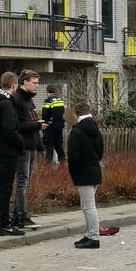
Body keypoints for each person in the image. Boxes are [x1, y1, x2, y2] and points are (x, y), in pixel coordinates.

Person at [0, 72, 25, 237]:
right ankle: (5, 225)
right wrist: (20, 144)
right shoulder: (7, 104)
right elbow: (10, 130)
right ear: (14, 84)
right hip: (8, 151)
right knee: (6, 188)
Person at [10, 69, 47, 228]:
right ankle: (21, 216)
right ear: (24, 82)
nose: (37, 86)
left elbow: (32, 123)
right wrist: (37, 125)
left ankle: (19, 215)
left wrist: (40, 145)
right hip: (23, 147)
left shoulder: (29, 100)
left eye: (37, 83)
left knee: (25, 181)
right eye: (34, 83)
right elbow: (17, 125)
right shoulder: (17, 99)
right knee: (22, 181)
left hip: (31, 146)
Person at [68, 102, 104, 249]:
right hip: (95, 170)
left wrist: (72, 171)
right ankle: (89, 234)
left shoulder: (76, 132)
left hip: (83, 173)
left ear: (76, 114)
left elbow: (73, 155)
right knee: (86, 206)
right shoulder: (96, 130)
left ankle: (94, 237)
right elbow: (100, 152)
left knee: (89, 207)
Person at [41, 85, 66, 163]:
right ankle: (63, 164)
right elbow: (62, 112)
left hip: (50, 126)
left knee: (49, 147)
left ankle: (48, 167)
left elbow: (44, 114)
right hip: (59, 126)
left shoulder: (48, 101)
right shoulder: (60, 101)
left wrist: (45, 123)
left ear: (47, 91)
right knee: (59, 146)